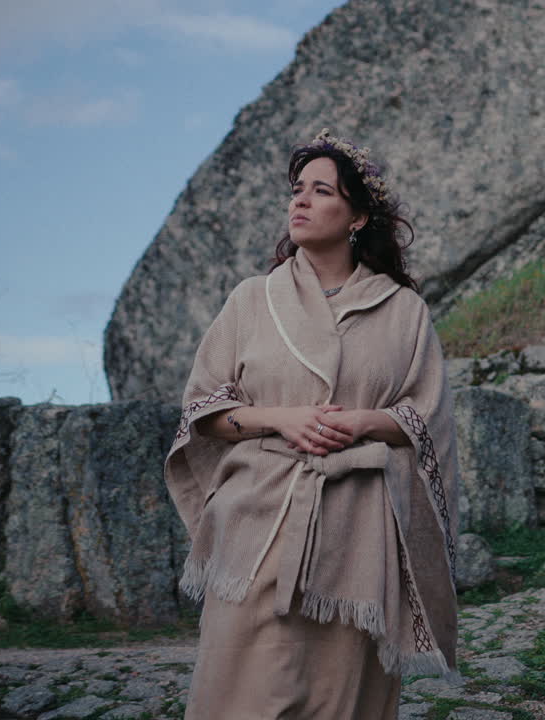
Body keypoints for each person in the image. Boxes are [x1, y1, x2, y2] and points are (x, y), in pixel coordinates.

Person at [163, 129, 459, 719]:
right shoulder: (251, 299)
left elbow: (426, 420)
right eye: (296, 190)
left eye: (320, 191)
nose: (299, 201)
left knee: (340, 696)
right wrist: (282, 419)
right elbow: (204, 412)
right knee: (242, 694)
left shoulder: (403, 310)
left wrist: (361, 424)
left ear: (357, 215)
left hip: (358, 535)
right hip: (258, 521)